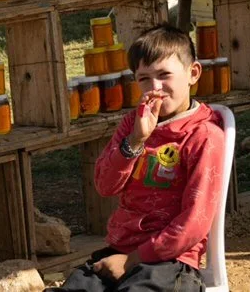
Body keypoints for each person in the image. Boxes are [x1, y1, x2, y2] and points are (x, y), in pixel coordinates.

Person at [47, 24, 225, 292]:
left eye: (165, 75)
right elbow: (105, 185)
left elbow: (194, 222)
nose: (155, 88)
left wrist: (132, 260)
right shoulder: (133, 123)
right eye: (144, 79)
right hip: (119, 250)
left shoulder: (204, 135)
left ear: (193, 73)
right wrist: (136, 141)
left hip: (169, 262)